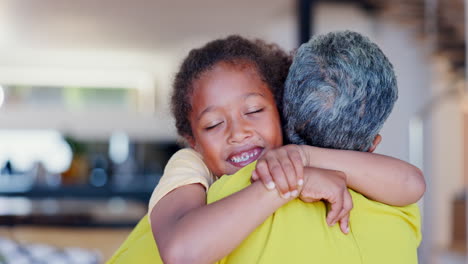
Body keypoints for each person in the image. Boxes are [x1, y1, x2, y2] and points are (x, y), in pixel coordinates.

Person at [107, 34, 424, 264]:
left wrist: (302, 158)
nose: (239, 132)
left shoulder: (291, 149)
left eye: (255, 111)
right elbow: (181, 252)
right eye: (214, 125)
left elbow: (412, 183)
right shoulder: (190, 164)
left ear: (280, 110)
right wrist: (292, 182)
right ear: (193, 140)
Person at [207, 31, 422, 263]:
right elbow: (413, 182)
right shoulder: (402, 212)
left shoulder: (219, 202)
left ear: (280, 112)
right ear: (373, 145)